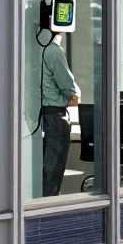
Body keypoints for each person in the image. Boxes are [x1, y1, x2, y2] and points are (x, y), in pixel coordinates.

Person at [40, 33, 80, 197]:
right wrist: (75, 95)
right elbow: (67, 85)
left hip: (42, 113)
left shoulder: (37, 50)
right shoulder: (53, 51)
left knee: (45, 164)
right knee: (54, 166)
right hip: (56, 115)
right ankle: (49, 204)